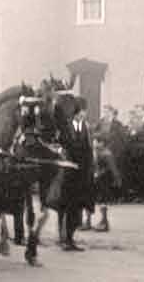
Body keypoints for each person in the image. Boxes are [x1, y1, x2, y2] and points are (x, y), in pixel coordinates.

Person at [57, 97, 94, 251]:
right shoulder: (65, 128)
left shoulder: (85, 127)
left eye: (84, 112)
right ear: (75, 112)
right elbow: (61, 147)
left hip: (81, 173)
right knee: (65, 206)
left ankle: (70, 238)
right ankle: (63, 238)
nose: (82, 115)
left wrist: (90, 169)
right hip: (67, 173)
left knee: (77, 206)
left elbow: (89, 150)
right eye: (80, 112)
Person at [86, 134, 122, 232]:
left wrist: (116, 179)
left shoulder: (106, 153)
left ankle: (104, 223)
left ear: (102, 143)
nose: (94, 143)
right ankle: (101, 222)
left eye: (96, 141)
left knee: (103, 201)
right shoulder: (98, 152)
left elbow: (112, 169)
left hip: (104, 181)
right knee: (100, 201)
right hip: (99, 180)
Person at [123, 104, 144, 202]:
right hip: (136, 154)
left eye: (138, 110)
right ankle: (137, 194)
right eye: (136, 111)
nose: (137, 113)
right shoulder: (136, 124)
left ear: (143, 111)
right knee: (135, 173)